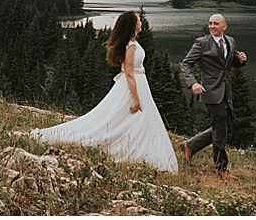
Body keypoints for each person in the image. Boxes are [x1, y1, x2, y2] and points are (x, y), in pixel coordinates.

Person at [30, 10, 178, 173]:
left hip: (139, 83)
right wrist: (136, 99)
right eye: (138, 20)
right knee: (132, 115)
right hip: (133, 85)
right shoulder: (131, 45)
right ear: (132, 24)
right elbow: (129, 73)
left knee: (136, 119)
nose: (141, 22)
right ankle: (136, 150)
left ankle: (139, 149)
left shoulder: (133, 43)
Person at [179, 13, 247, 180]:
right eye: (210, 23)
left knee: (224, 127)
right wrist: (193, 83)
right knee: (220, 130)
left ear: (224, 26)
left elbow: (230, 63)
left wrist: (241, 60)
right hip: (209, 92)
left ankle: (190, 145)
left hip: (226, 91)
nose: (212, 26)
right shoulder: (201, 43)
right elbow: (186, 64)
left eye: (216, 24)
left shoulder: (230, 41)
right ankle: (221, 168)